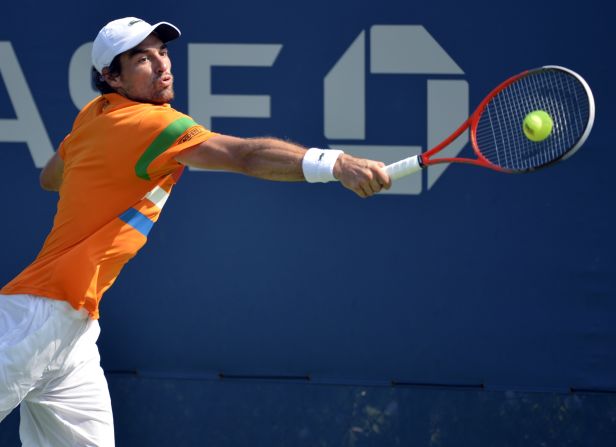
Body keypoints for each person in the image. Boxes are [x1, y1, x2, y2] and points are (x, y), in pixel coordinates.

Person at [0, 17, 391, 446]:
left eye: (162, 52)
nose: (162, 64)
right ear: (111, 76)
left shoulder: (94, 117)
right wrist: (335, 164)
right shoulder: (153, 126)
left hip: (73, 331)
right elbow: (244, 156)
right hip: (35, 319)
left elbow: (49, 177)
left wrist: (101, 174)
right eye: (141, 59)